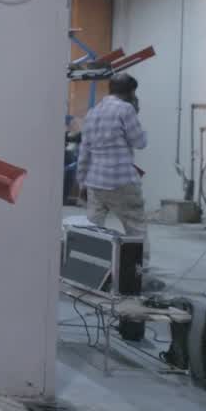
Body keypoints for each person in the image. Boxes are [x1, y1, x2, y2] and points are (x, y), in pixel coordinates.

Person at [77, 73, 149, 269]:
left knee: (93, 229)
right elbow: (140, 142)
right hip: (121, 181)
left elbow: (84, 152)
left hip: (95, 182)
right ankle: (137, 274)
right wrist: (136, 112)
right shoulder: (126, 109)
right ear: (132, 92)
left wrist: (82, 182)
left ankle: (90, 269)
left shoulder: (92, 112)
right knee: (136, 228)